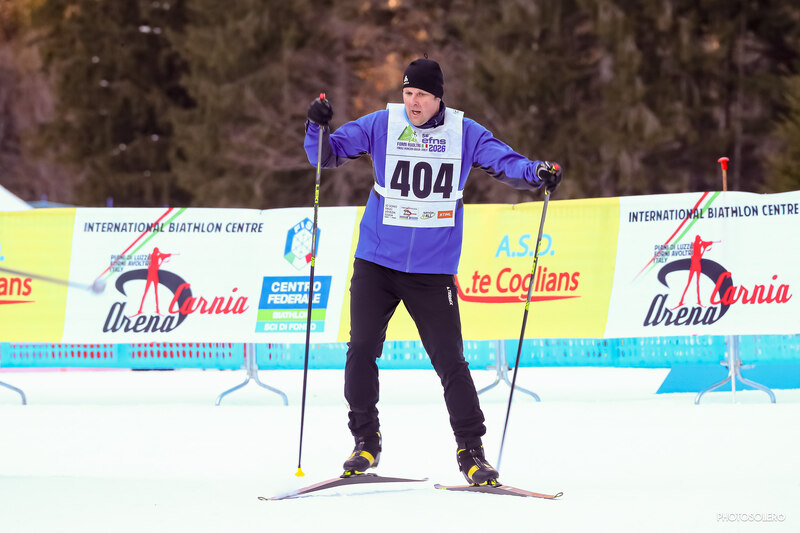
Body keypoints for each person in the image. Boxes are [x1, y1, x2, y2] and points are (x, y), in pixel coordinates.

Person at [304, 57, 562, 485]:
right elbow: (325, 156)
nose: (413, 102)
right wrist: (316, 125)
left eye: (422, 94)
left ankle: (471, 451)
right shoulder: (382, 124)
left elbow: (506, 162)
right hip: (377, 260)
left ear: (439, 97)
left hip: (432, 269)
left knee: (450, 361)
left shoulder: (464, 132)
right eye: (408, 93)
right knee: (361, 348)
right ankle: (365, 441)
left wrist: (537, 172)